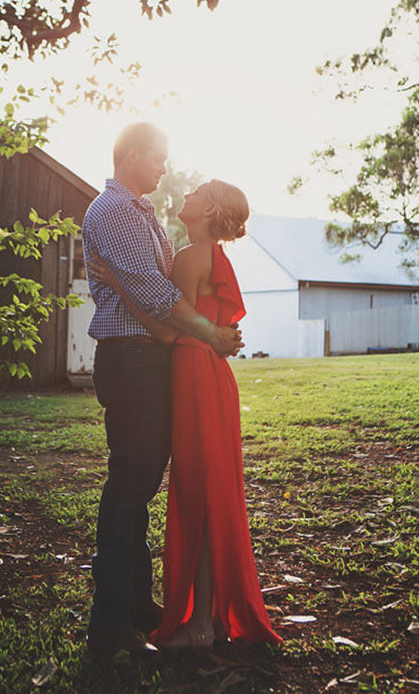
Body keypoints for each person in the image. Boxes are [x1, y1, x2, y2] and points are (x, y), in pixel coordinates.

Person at [91, 178, 282, 651]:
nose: (188, 196)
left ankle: (199, 624)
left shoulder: (187, 257)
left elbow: (164, 328)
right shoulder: (213, 257)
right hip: (211, 379)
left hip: (194, 378)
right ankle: (211, 618)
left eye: (197, 192)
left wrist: (117, 280)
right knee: (211, 493)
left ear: (209, 207)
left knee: (198, 494)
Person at [82, 123, 242, 661]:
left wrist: (180, 330)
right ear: (130, 155)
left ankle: (135, 605)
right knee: (130, 485)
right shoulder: (119, 213)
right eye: (158, 158)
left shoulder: (142, 213)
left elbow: (160, 292)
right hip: (132, 361)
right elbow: (157, 295)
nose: (165, 169)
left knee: (141, 484)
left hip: (152, 359)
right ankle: (109, 627)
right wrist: (211, 335)